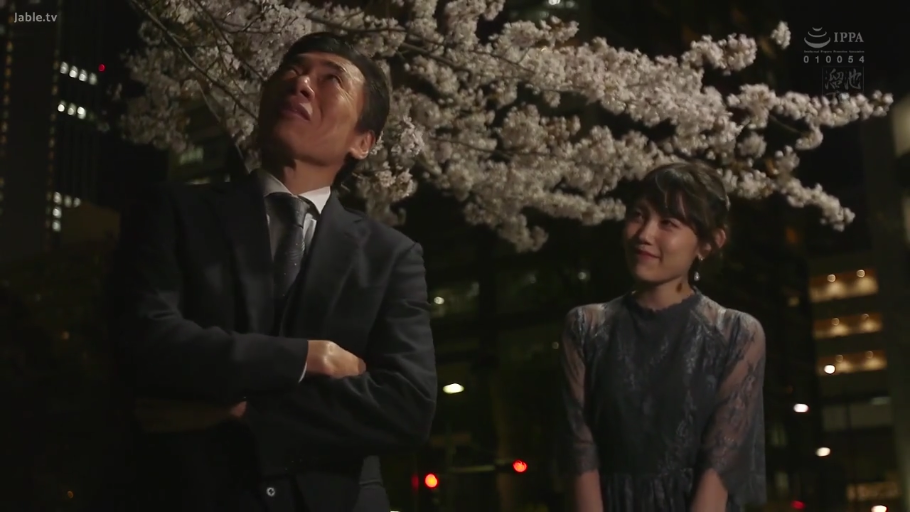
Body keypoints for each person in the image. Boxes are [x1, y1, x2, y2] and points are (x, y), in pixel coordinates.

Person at [109, 32, 437, 512]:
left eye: (331, 80)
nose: (301, 83)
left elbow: (407, 405)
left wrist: (243, 412)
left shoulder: (391, 256)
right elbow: (147, 338)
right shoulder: (174, 211)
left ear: (363, 142)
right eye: (293, 69)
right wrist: (308, 357)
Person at [557, 162, 766, 511]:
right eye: (638, 216)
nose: (644, 234)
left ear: (708, 244)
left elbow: (721, 465)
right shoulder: (585, 327)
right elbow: (579, 450)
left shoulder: (736, 333)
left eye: (668, 223)